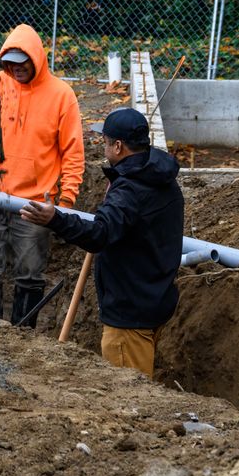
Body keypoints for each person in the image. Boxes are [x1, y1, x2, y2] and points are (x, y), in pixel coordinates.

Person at [19, 107, 183, 378]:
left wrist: (54, 219)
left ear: (118, 146)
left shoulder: (130, 190)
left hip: (129, 317)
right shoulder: (160, 177)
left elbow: (99, 234)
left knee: (129, 399)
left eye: (105, 141)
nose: (102, 145)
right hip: (156, 299)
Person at [0, 24, 84, 327]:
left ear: (36, 59)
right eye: (10, 62)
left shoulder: (61, 96)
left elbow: (73, 154)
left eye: (23, 61)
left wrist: (65, 204)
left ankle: (22, 341)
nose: (17, 68)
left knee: (30, 274)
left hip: (33, 204)